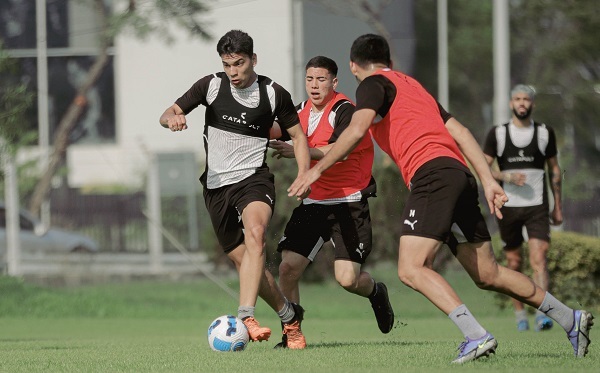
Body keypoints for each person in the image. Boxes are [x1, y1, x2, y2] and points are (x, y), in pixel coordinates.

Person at [287, 34, 594, 363]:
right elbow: (459, 131)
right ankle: (570, 319)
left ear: (352, 66)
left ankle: (476, 336)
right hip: (458, 174)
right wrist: (487, 180)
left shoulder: (372, 82)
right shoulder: (414, 87)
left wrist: (315, 172)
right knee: (487, 274)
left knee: (411, 268)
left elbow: (357, 129)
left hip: (431, 175)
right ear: (390, 62)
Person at [159, 30, 311, 349]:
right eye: (227, 65)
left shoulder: (273, 94)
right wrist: (172, 120)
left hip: (253, 180)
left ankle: (245, 316)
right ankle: (290, 318)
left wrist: (305, 173)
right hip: (215, 188)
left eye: (239, 63)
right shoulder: (211, 85)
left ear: (253, 60)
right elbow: (168, 112)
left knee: (256, 234)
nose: (234, 72)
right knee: (248, 266)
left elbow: (298, 137)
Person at [269, 56, 394, 348]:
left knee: (347, 279)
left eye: (321, 79)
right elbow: (274, 128)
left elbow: (341, 150)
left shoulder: (345, 110)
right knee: (288, 268)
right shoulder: (300, 110)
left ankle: (376, 291)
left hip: (348, 202)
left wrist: (297, 149)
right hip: (314, 202)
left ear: (334, 82)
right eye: (310, 79)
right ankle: (292, 335)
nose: (314, 85)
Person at [483, 84, 563, 332]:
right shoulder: (497, 134)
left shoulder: (544, 133)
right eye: (517, 99)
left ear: (532, 104)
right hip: (508, 206)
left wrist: (557, 206)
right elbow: (482, 168)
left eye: (526, 99)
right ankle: (520, 316)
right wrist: (505, 177)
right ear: (510, 103)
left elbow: (555, 171)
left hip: (537, 205)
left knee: (539, 257)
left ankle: (543, 313)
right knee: (514, 262)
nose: (521, 103)